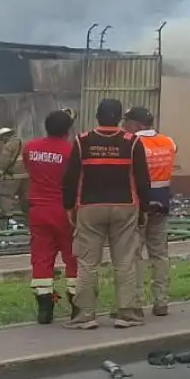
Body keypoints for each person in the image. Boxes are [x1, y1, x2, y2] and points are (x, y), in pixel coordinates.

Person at [61, 98, 152, 330]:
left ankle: (85, 316)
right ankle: (127, 314)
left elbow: (70, 179)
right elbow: (143, 181)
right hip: (125, 207)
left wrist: (70, 207)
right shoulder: (132, 142)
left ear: (97, 116)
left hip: (90, 208)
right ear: (120, 118)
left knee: (88, 263)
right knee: (124, 262)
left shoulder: (82, 141)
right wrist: (144, 210)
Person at [23, 110, 79, 325]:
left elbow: (31, 172)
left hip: (38, 210)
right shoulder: (71, 151)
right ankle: (76, 306)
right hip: (65, 211)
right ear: (68, 130)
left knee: (42, 258)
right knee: (72, 256)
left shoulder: (31, 148)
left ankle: (45, 308)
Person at [124, 106, 178, 317]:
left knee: (134, 255)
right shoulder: (169, 142)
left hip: (138, 205)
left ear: (137, 124)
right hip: (162, 202)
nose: (124, 126)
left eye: (126, 122)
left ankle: (135, 303)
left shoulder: (132, 143)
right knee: (160, 254)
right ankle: (161, 301)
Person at [0, 126, 26, 217]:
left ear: (6, 136)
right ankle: (27, 213)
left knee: (5, 193)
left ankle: (7, 213)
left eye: (1, 137)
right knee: (24, 196)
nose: (0, 139)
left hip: (13, 175)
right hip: (26, 175)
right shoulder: (23, 142)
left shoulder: (9, 145)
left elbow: (4, 161)